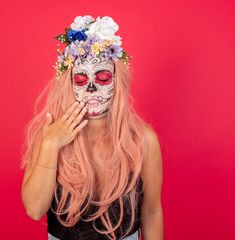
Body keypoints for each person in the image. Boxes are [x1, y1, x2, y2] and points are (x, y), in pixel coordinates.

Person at [21, 15, 163, 240]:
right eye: (80, 80)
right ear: (68, 84)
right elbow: (34, 210)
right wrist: (50, 145)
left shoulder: (142, 139)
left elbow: (152, 211)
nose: (91, 89)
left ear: (118, 82)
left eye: (103, 77)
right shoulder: (49, 136)